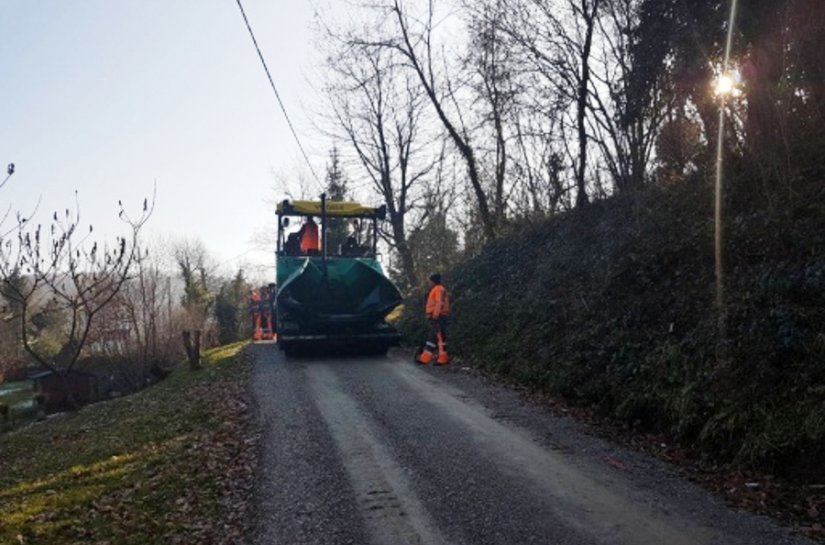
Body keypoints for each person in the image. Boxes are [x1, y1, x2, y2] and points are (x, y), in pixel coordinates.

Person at [418, 273, 450, 365]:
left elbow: (439, 302)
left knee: (436, 337)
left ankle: (426, 359)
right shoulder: (439, 289)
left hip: (438, 316)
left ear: (433, 281)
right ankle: (440, 358)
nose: (429, 283)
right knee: (439, 338)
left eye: (430, 281)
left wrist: (435, 316)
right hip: (440, 316)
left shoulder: (438, 289)